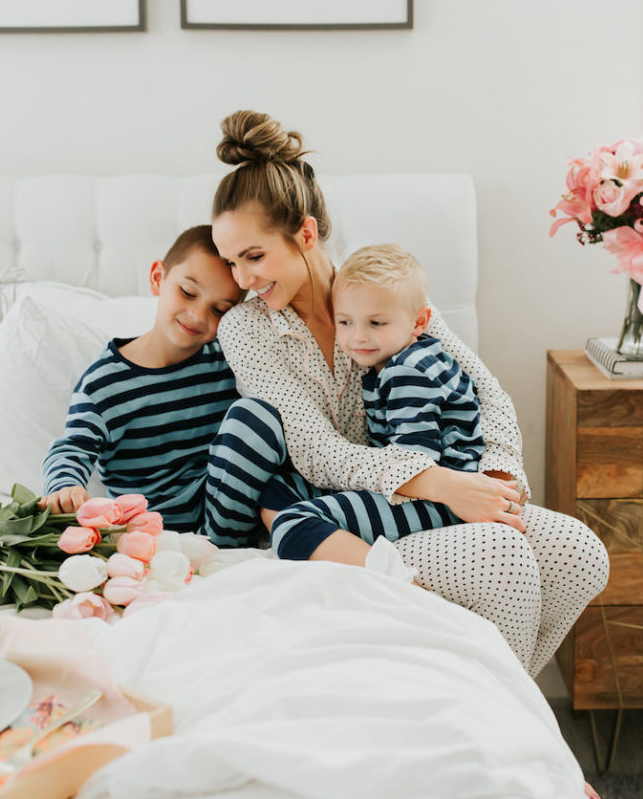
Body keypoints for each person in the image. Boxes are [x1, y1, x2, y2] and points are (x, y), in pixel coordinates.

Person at [208, 109, 609, 688]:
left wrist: (495, 480)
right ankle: (520, 738)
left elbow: (486, 392)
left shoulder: (381, 291)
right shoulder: (245, 330)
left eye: (254, 256)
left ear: (305, 234)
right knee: (506, 558)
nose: (242, 278)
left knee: (580, 556)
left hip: (433, 502)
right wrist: (443, 483)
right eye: (230, 262)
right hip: (344, 513)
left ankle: (504, 714)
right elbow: (317, 451)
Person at [40, 226, 261, 542]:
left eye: (219, 310)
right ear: (158, 277)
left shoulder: (227, 362)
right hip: (152, 530)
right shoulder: (104, 384)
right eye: (187, 292)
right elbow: (72, 447)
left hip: (227, 512)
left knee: (254, 416)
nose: (198, 315)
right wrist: (65, 486)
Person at [269, 242, 487, 560]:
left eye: (376, 323)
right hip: (427, 490)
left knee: (293, 523)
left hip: (441, 503)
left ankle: (401, 587)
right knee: (283, 485)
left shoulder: (408, 372)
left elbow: (415, 463)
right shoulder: (404, 359)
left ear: (418, 322)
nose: (358, 336)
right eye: (345, 322)